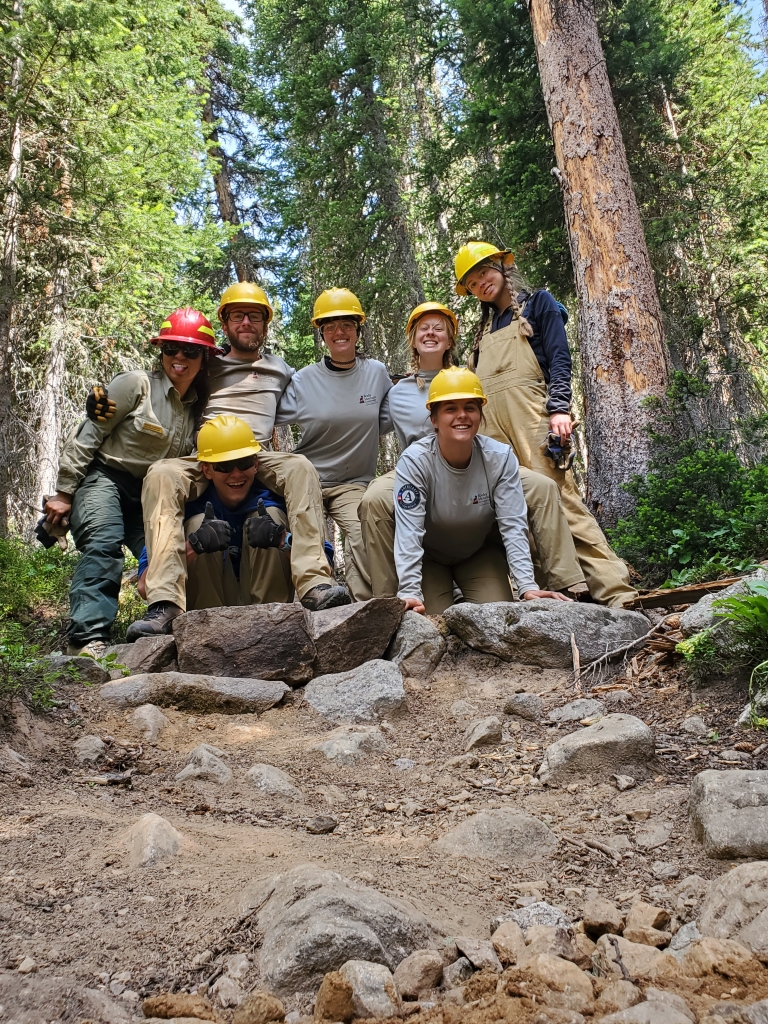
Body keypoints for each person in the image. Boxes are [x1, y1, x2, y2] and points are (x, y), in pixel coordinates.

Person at [121, 282, 349, 641]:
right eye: (237, 316)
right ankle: (165, 602)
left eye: (254, 316)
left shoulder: (281, 369)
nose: (246, 322)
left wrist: (392, 386)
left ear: (265, 324)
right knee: (162, 473)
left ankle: (315, 582)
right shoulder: (205, 362)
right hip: (206, 456)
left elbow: (325, 386)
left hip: (255, 453)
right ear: (224, 324)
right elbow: (167, 375)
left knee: (300, 467)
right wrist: (107, 404)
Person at [359, 301, 589, 599]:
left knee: (542, 487)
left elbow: (487, 422)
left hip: (474, 460)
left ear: (450, 339)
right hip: (418, 469)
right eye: (423, 329)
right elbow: (368, 428)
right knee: (375, 499)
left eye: (438, 328)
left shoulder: (468, 377)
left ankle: (564, 584)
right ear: (413, 339)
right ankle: (391, 600)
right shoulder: (398, 392)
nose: (430, 334)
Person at [454, 240, 637, 607]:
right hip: (493, 428)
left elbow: (558, 359)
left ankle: (616, 591)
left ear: (502, 268)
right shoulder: (481, 331)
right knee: (514, 507)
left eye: (485, 273)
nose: (482, 284)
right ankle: (557, 593)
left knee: (561, 499)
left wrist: (560, 409)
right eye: (472, 283)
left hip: (534, 417)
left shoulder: (540, 303)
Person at [44, 308, 215, 656]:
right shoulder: (134, 384)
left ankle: (168, 627)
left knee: (167, 555)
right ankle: (88, 640)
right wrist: (64, 493)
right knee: (103, 544)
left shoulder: (196, 406)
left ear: (204, 356)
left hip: (148, 496)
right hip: (105, 479)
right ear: (161, 351)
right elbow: (89, 434)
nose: (179, 357)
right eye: (170, 349)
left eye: (191, 350)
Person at [394, 366, 570, 613]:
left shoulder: (499, 458)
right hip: (429, 558)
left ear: (480, 414)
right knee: (432, 621)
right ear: (434, 419)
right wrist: (410, 590)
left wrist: (527, 586)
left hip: (478, 553)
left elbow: (512, 524)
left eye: (470, 407)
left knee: (498, 618)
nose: (462, 415)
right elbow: (409, 532)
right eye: (450, 409)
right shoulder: (415, 461)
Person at [274, 288, 393, 601]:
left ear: (358, 329)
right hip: (308, 480)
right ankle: (310, 603)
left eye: (347, 324)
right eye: (330, 326)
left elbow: (396, 413)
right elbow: (264, 417)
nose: (339, 332)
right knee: (299, 538)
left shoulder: (377, 374)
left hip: (352, 483)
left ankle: (370, 609)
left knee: (365, 533)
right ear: (322, 333)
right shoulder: (303, 381)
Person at [136, 415, 293, 609]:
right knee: (195, 524)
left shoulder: (278, 497)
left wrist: (282, 541)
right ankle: (206, 630)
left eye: (243, 463)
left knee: (274, 516)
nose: (236, 474)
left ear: (255, 464)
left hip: (269, 614)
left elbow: (322, 569)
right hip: (209, 613)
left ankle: (272, 622)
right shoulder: (183, 506)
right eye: (224, 466)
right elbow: (144, 587)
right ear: (207, 470)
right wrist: (194, 546)